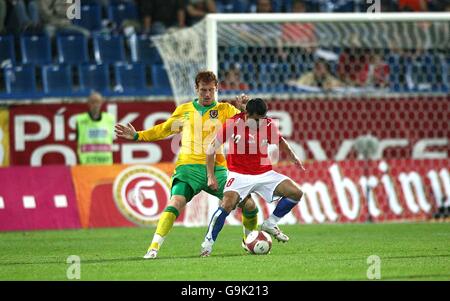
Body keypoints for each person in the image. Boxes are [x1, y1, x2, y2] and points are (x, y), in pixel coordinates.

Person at [114, 71, 260, 259]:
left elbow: (254, 126)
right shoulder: (184, 110)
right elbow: (164, 129)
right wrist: (137, 135)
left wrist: (244, 111)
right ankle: (153, 248)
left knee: (248, 204)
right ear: (196, 89)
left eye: (210, 90)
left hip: (217, 169)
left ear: (217, 89)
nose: (207, 94)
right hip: (188, 167)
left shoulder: (225, 110)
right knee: (176, 202)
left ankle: (250, 241)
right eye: (203, 90)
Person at [200, 98, 305, 257]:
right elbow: (211, 148)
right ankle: (207, 244)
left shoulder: (268, 124)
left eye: (262, 119)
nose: (259, 123)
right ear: (246, 114)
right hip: (239, 174)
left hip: (264, 173)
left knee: (296, 192)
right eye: (256, 120)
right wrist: (210, 175)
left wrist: (293, 157)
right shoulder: (232, 124)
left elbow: (280, 141)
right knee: (227, 204)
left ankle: (270, 224)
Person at [76, 91, 115, 165]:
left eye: (98, 102)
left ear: (101, 102)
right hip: (86, 164)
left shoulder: (109, 119)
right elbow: (76, 142)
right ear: (88, 103)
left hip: (106, 164)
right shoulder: (80, 120)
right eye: (93, 102)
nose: (95, 105)